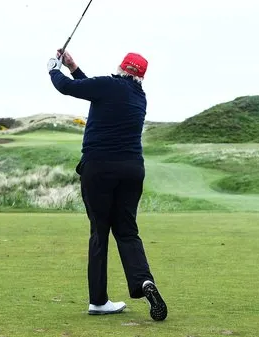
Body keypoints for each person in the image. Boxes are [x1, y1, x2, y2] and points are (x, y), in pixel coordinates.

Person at [46, 49, 168, 321]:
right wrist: (74, 66)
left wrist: (54, 69)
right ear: (140, 76)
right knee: (127, 231)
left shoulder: (108, 85)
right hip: (132, 170)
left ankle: (98, 301)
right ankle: (143, 282)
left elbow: (68, 88)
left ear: (121, 67)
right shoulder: (139, 97)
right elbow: (91, 89)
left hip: (99, 168)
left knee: (100, 232)